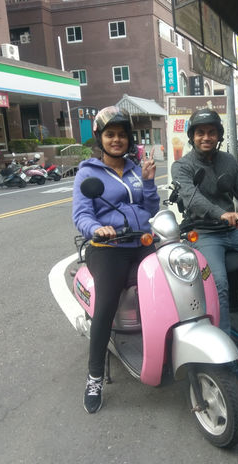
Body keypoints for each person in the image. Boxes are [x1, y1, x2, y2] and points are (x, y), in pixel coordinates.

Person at [171, 108, 238, 385]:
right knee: (220, 284)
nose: (206, 137)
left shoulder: (227, 161)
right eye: (200, 133)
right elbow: (192, 199)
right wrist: (222, 213)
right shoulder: (182, 166)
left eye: (211, 132)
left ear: (219, 136)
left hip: (231, 231)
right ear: (192, 137)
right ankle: (226, 357)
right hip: (205, 233)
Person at [72, 106, 159, 414]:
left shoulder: (136, 170)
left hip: (141, 241)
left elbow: (151, 209)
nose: (117, 140)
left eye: (122, 135)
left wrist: (148, 182)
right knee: (106, 303)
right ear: (101, 138)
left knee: (168, 284)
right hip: (107, 247)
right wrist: (97, 229)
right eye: (110, 134)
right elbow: (81, 214)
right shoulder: (88, 173)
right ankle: (94, 376)